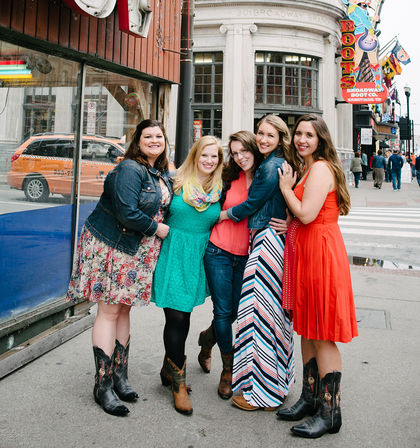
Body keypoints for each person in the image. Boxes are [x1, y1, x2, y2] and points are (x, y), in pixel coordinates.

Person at [66, 119, 172, 416]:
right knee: (110, 310)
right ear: (137, 142)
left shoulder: (159, 170)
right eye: (147, 136)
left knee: (123, 308)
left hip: (136, 249)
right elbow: (127, 212)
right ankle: (103, 385)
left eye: (159, 136)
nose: (154, 140)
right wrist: (157, 229)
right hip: (113, 247)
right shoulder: (130, 168)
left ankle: (119, 375)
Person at [277, 114, 358, 439]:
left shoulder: (322, 167)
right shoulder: (310, 166)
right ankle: (310, 400)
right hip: (309, 251)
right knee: (308, 328)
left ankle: (330, 411)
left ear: (320, 139)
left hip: (321, 252)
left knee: (322, 333)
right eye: (299, 133)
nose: (302, 139)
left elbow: (307, 212)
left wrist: (285, 189)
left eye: (309, 134)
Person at [197, 131, 289, 400]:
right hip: (219, 251)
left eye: (244, 151)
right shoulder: (227, 177)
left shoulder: (267, 175)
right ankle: (228, 370)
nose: (239, 157)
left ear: (254, 149)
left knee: (237, 311)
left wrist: (289, 221)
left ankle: (207, 339)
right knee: (224, 312)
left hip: (250, 254)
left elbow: (284, 203)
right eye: (234, 153)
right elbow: (205, 202)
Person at [218, 115, 298, 411]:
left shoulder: (270, 166)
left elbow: (252, 205)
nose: (263, 139)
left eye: (270, 134)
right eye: (260, 133)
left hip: (266, 245)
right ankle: (277, 381)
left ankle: (261, 393)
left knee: (259, 318)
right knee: (271, 317)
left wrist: (224, 215)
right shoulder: (278, 163)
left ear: (280, 137)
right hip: (271, 241)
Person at [152, 135, 224, 415]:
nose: (208, 161)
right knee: (177, 317)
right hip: (172, 254)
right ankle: (178, 381)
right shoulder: (174, 180)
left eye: (214, 156)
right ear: (194, 155)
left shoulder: (219, 188)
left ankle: (169, 368)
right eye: (204, 155)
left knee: (185, 316)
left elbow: (230, 213)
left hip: (197, 258)